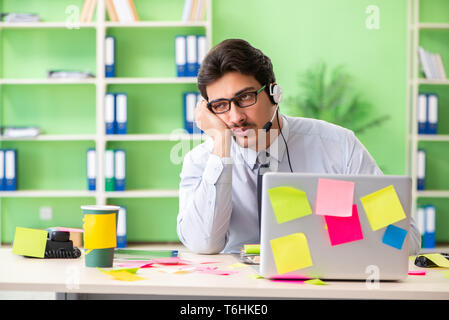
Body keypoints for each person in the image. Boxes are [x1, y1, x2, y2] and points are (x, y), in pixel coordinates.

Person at [176, 38, 421, 255]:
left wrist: (335, 226)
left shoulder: (339, 146)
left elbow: (405, 238)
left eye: (245, 98)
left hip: (320, 285)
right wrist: (221, 147)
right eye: (220, 105)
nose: (235, 117)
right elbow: (203, 244)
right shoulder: (201, 161)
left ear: (274, 92)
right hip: (237, 293)